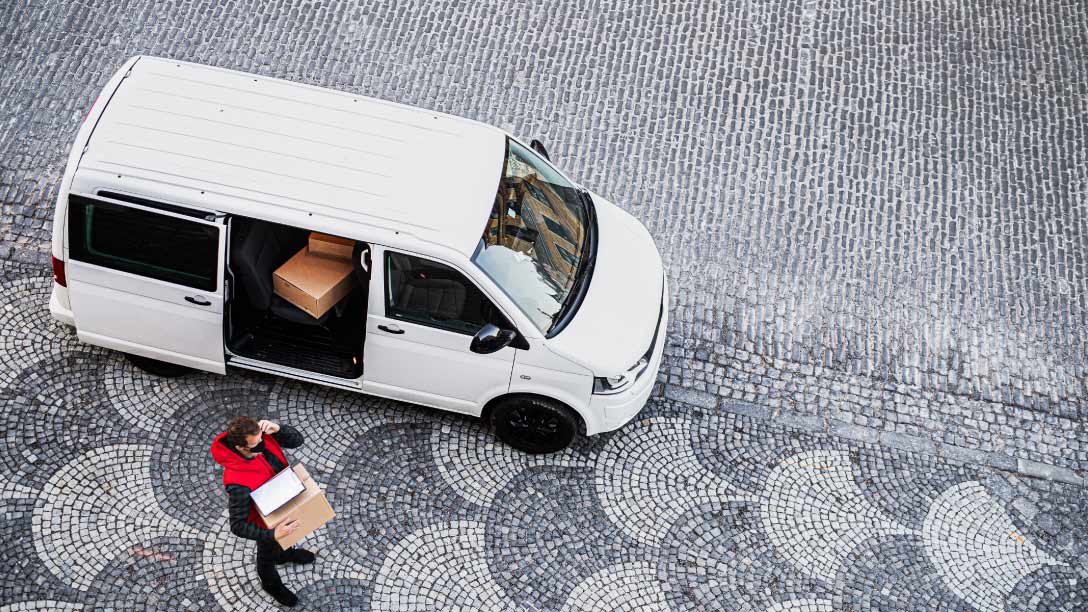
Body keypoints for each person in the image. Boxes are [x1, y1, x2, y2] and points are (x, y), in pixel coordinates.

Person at [210, 416, 316, 607]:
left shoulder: (263, 436)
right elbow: (237, 525)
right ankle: (271, 584)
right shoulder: (236, 482)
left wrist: (278, 429)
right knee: (266, 557)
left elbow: (297, 441)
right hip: (265, 523)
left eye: (261, 439)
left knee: (286, 539)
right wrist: (272, 533)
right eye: (256, 444)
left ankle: (283, 555)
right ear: (240, 448)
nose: (263, 444)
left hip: (284, 500)